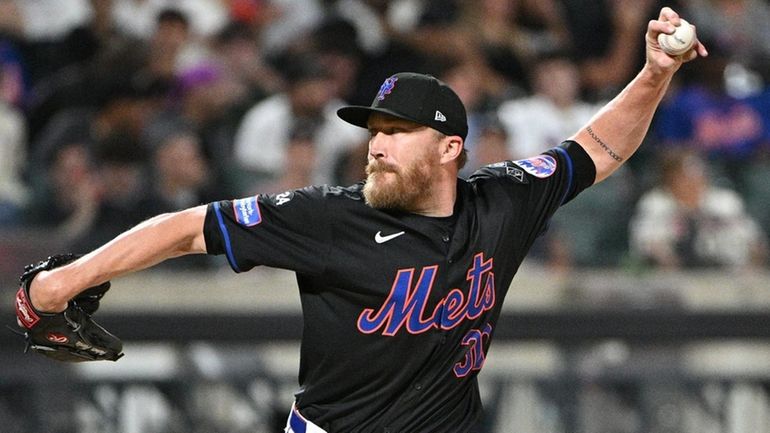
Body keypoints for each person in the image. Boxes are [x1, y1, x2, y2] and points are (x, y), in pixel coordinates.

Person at [22, 8, 707, 432]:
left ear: (448, 149)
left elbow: (598, 148)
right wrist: (62, 284)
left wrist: (653, 74)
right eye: (374, 128)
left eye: (399, 132)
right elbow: (187, 226)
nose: (377, 143)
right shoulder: (328, 216)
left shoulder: (502, 200)